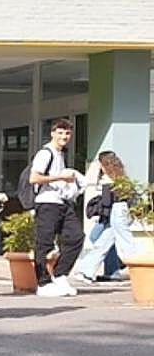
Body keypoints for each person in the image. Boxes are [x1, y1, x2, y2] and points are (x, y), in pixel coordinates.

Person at [29, 118, 85, 298]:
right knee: (44, 243)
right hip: (47, 203)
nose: (64, 136)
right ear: (52, 133)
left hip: (62, 202)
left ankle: (60, 274)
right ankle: (43, 283)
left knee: (76, 236)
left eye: (67, 133)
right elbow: (34, 178)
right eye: (60, 132)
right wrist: (60, 178)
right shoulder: (45, 153)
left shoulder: (60, 154)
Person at [73, 150, 137, 283]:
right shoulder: (120, 176)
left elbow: (107, 201)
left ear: (103, 164)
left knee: (120, 243)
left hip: (115, 212)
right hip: (120, 212)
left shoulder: (108, 179)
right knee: (104, 242)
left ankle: (138, 269)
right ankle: (90, 271)